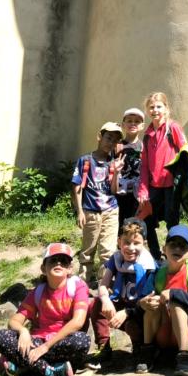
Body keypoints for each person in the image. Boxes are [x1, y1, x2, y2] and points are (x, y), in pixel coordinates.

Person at [0, 243, 90, 376]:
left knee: (82, 341)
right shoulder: (38, 292)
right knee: (0, 336)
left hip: (61, 342)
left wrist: (45, 347)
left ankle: (23, 365)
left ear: (69, 269)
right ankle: (51, 370)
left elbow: (78, 322)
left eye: (63, 261)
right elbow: (14, 321)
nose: (58, 263)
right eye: (53, 260)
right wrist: (23, 331)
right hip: (38, 341)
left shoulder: (77, 286)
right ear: (43, 268)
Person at [138, 224, 188, 376]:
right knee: (151, 305)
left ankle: (184, 356)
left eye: (182, 246)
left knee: (177, 303)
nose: (177, 249)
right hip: (163, 331)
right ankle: (147, 351)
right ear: (164, 249)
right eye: (173, 244)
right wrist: (143, 303)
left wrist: (173, 293)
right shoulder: (157, 274)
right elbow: (142, 299)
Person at [91, 219, 156, 366]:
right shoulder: (116, 259)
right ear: (119, 241)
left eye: (136, 243)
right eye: (126, 242)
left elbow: (147, 300)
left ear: (144, 243)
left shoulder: (149, 265)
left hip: (139, 312)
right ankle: (103, 346)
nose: (131, 248)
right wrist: (106, 299)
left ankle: (140, 347)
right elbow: (103, 285)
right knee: (98, 302)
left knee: (131, 325)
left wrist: (127, 312)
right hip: (123, 304)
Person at [136, 92, 187, 258]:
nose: (155, 110)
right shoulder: (147, 134)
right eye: (151, 107)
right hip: (154, 186)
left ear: (166, 108)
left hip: (171, 185)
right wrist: (143, 190)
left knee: (172, 222)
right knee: (146, 220)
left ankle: (173, 255)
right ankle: (155, 254)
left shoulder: (173, 128)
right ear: (147, 110)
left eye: (159, 106)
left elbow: (186, 152)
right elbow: (144, 166)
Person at [72, 121, 122, 285]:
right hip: (90, 212)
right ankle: (83, 283)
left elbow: (114, 190)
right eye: (108, 138)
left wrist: (117, 173)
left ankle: (104, 284)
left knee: (108, 251)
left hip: (110, 211)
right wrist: (80, 211)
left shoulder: (114, 163)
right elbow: (77, 187)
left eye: (115, 140)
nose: (111, 143)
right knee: (88, 250)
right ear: (99, 137)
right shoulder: (85, 160)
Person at [114, 107, 146, 226]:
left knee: (134, 224)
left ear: (142, 126)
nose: (133, 123)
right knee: (119, 223)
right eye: (129, 121)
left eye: (137, 121)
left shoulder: (144, 147)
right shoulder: (117, 146)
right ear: (123, 124)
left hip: (137, 194)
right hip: (120, 192)